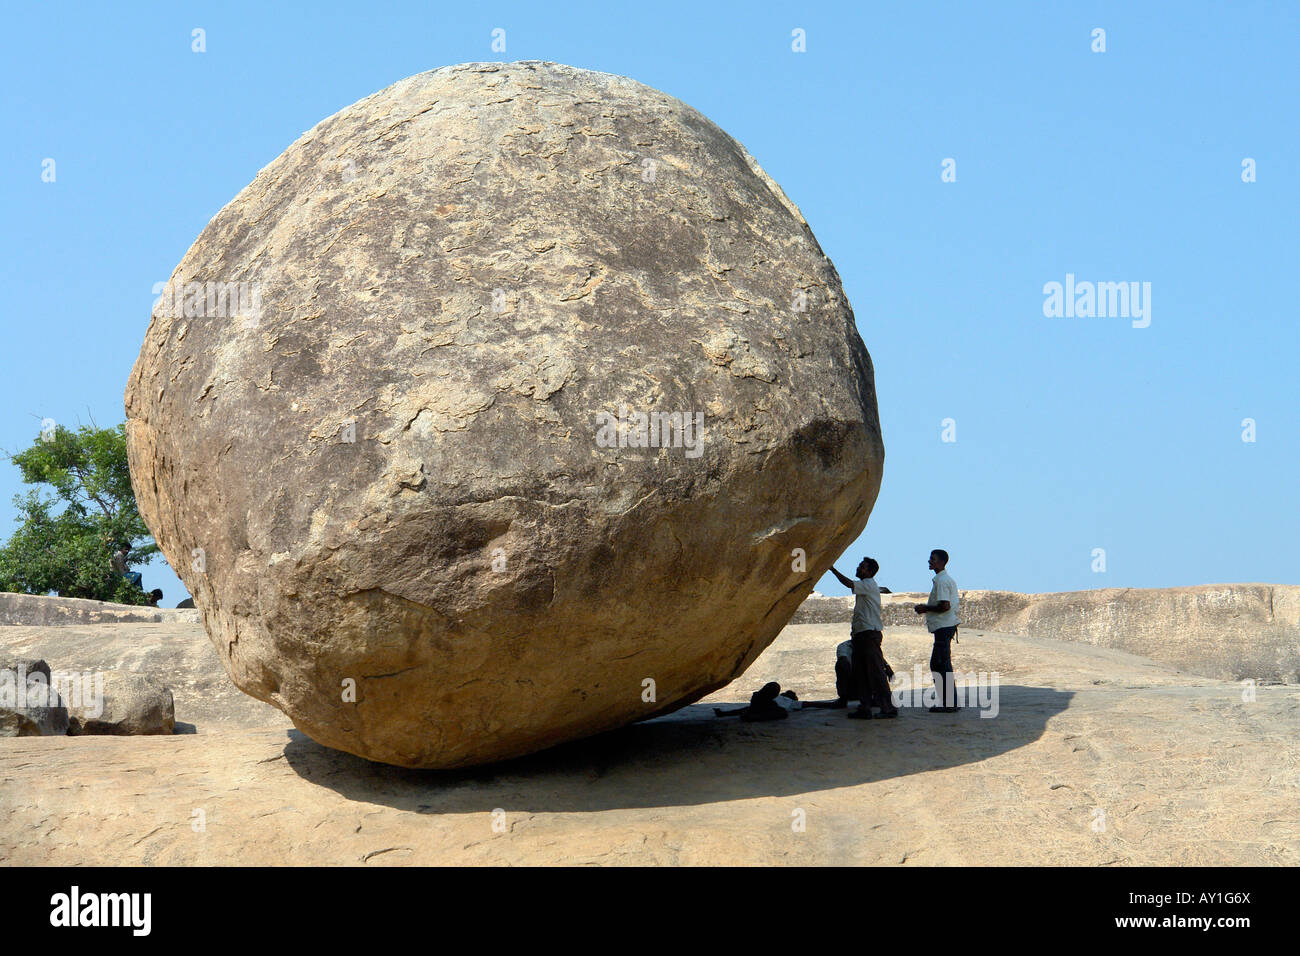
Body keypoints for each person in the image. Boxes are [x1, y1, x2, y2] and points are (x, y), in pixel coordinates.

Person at [830, 557, 898, 719]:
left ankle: (888, 708)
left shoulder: (867, 584)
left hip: (868, 635)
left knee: (875, 673)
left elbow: (848, 583)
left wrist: (832, 570)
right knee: (861, 674)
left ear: (869, 572)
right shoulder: (868, 586)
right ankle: (865, 708)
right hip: (861, 636)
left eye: (862, 567)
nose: (859, 568)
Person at [914, 549, 960, 712]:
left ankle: (948, 704)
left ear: (941, 562)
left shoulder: (941, 581)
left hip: (943, 626)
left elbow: (944, 606)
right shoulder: (944, 579)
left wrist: (924, 608)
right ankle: (950, 702)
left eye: (932, 559)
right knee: (943, 663)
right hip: (946, 626)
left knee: (939, 664)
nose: (929, 561)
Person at [714, 682, 802, 721]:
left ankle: (723, 714)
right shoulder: (790, 702)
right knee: (782, 713)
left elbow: (810, 704)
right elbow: (810, 704)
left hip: (759, 701)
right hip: (764, 703)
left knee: (748, 708)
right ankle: (752, 717)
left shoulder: (789, 701)